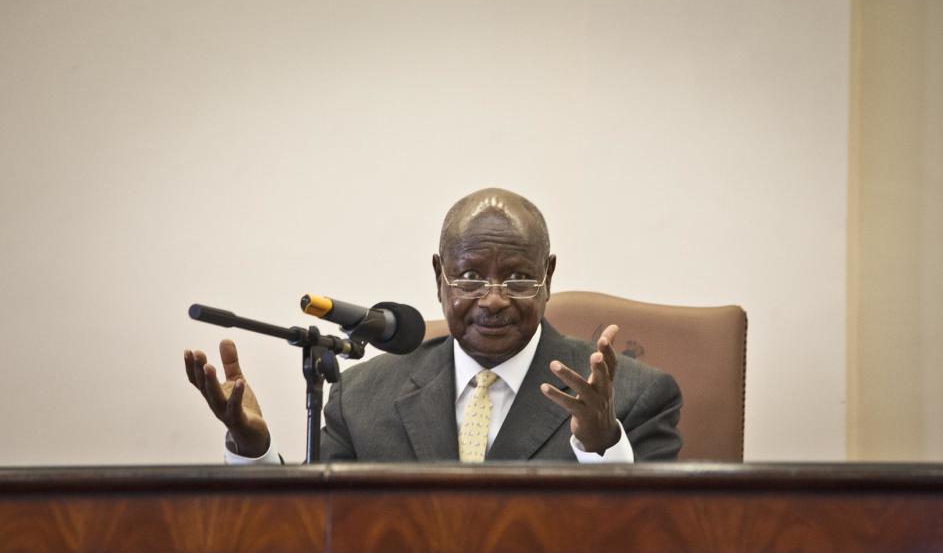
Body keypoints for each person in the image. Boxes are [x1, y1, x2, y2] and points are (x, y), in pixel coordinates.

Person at [184, 188, 682, 463]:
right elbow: (313, 530)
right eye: (468, 276)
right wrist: (252, 453)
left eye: (518, 278)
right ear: (438, 277)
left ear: (548, 276)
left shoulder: (635, 397)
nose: (492, 299)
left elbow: (660, 535)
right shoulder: (361, 397)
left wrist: (601, 447)